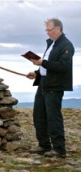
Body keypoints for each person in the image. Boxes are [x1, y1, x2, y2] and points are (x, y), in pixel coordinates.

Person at [26, 18, 74, 158]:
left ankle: (59, 149)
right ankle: (44, 145)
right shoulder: (51, 44)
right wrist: (36, 73)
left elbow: (63, 66)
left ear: (58, 29)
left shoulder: (66, 45)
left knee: (53, 118)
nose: (47, 33)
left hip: (54, 86)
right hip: (43, 84)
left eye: (49, 30)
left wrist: (42, 62)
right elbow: (47, 66)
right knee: (38, 116)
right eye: (46, 30)